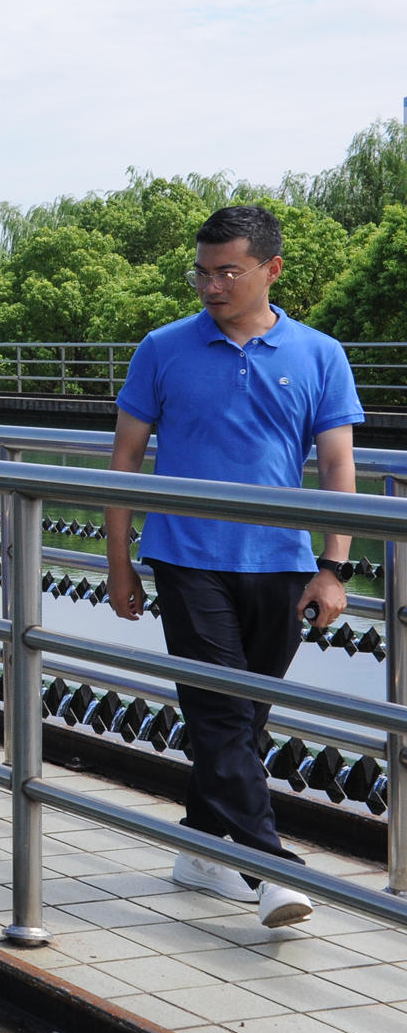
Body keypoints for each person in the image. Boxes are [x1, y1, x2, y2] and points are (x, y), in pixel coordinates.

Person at [106, 205, 362, 930]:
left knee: (244, 720)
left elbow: (338, 464)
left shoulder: (319, 354)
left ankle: (198, 845)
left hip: (280, 562)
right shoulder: (162, 348)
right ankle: (269, 867)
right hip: (186, 557)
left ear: (271, 270)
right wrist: (118, 560)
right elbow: (124, 461)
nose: (211, 286)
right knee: (220, 710)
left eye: (228, 272)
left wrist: (333, 566)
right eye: (202, 271)